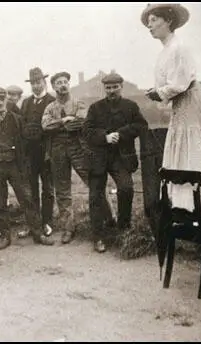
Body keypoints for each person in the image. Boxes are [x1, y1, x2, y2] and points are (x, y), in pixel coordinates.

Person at [141, 3, 201, 215]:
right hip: (182, 105)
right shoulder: (165, 51)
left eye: (154, 20)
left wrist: (159, 93)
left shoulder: (179, 47)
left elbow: (179, 84)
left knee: (197, 150)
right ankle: (190, 209)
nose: (150, 25)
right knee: (186, 152)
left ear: (169, 21)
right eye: (148, 22)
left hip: (194, 102)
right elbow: (170, 84)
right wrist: (158, 91)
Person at [42, 72, 115, 245]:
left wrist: (62, 123)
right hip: (57, 150)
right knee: (62, 189)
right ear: (53, 87)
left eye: (65, 82)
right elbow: (45, 125)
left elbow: (81, 122)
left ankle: (110, 218)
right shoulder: (50, 107)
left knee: (94, 183)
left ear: (69, 84)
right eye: (58, 83)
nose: (62, 85)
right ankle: (68, 227)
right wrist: (63, 121)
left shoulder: (79, 103)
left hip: (78, 148)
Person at [0, 87, 55, 250]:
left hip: (14, 165)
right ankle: (5, 236)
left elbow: (25, 142)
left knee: (26, 199)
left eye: (1, 99)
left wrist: (23, 162)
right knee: (0, 202)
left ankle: (37, 233)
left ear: (6, 100)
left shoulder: (17, 119)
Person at [83, 72, 148, 253]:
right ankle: (98, 237)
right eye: (108, 87)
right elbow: (87, 131)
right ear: (104, 88)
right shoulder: (95, 108)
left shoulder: (131, 106)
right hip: (99, 157)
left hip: (121, 158)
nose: (111, 91)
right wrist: (105, 137)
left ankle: (123, 228)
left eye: (115, 87)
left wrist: (121, 133)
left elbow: (142, 126)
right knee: (95, 196)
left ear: (121, 87)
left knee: (126, 188)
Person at [19, 67, 56, 239]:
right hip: (30, 154)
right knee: (31, 189)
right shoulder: (26, 103)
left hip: (47, 152)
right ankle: (33, 224)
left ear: (44, 82)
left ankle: (47, 222)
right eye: (33, 83)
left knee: (47, 189)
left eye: (38, 82)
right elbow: (21, 126)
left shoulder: (52, 100)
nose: (36, 86)